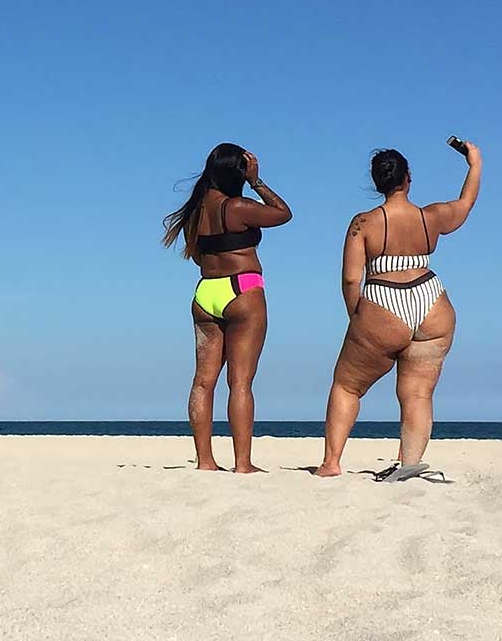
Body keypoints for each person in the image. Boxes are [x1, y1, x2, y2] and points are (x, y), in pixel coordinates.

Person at [314, 141, 482, 481]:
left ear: (377, 183)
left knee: (347, 386)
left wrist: (356, 315)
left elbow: (350, 278)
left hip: (382, 299)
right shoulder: (430, 216)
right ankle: (409, 463)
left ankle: (331, 464)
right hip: (431, 299)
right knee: (418, 392)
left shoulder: (364, 222)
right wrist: (474, 163)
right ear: (408, 178)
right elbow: (465, 204)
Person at [162, 144, 292, 473]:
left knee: (203, 383)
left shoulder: (194, 210)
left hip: (206, 292)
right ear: (238, 173)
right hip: (243, 289)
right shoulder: (237, 207)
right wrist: (257, 182)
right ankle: (243, 464)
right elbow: (283, 213)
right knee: (241, 382)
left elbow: (195, 254)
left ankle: (205, 461)